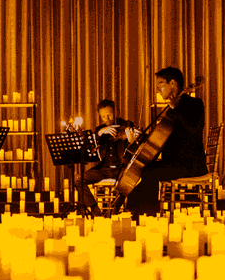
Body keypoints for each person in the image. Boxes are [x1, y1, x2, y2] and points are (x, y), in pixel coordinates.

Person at [123, 66, 207, 216]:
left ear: (173, 84)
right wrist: (141, 138)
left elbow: (194, 128)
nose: (157, 88)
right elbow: (160, 138)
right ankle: (138, 212)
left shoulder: (195, 104)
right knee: (145, 175)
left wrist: (176, 110)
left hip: (191, 164)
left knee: (150, 172)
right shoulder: (171, 110)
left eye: (161, 83)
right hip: (175, 163)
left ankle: (147, 214)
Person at [73, 99, 139, 214]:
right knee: (78, 179)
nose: (107, 119)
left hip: (121, 168)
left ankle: (114, 212)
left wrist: (132, 140)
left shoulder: (127, 125)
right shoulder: (100, 130)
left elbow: (135, 151)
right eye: (103, 117)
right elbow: (91, 147)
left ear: (115, 112)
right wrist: (99, 134)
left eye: (109, 115)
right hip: (103, 169)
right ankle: (96, 212)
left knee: (127, 181)